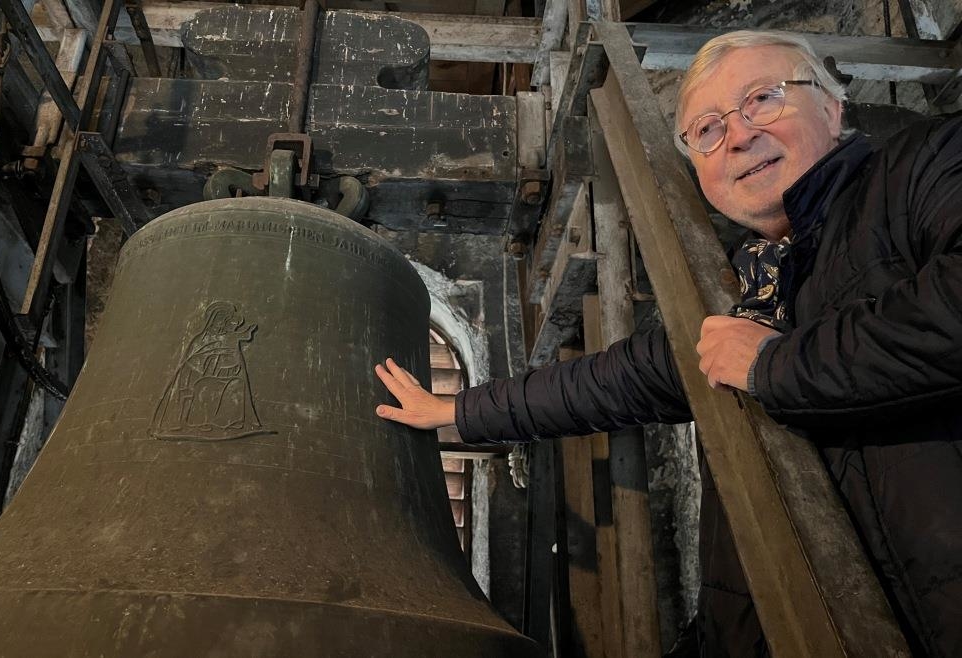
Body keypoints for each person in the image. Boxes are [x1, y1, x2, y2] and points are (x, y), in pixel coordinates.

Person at [374, 30, 962, 658]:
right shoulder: (744, 292)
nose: (737, 136)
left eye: (763, 99)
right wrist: (458, 412)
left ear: (832, 105)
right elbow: (612, 380)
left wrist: (773, 366)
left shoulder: (928, 164)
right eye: (706, 130)